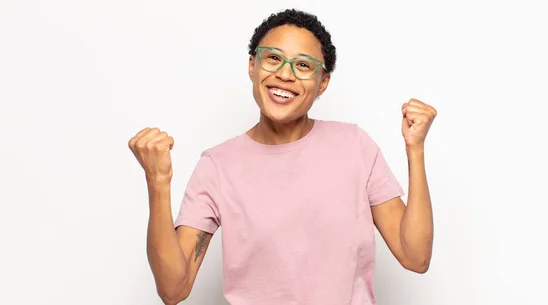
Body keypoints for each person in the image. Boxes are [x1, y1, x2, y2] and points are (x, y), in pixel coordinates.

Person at [128, 8, 436, 305]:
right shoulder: (217, 167)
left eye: (303, 65)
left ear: (322, 83)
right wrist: (158, 183)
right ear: (253, 66)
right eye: (273, 58)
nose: (285, 74)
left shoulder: (355, 146)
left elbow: (415, 256)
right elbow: (173, 290)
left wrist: (415, 149)